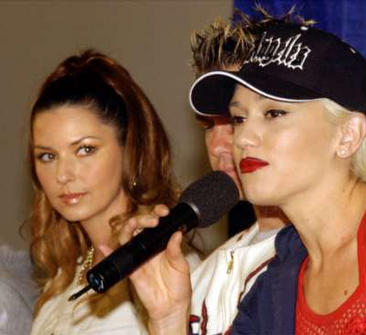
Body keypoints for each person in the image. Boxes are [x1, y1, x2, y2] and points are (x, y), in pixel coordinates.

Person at [189, 18, 366, 335]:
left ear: (347, 135)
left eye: (273, 113)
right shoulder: (277, 286)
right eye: (239, 117)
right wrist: (167, 315)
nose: (242, 138)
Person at [118, 11, 304, 335]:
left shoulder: (337, 253)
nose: (219, 145)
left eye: (236, 119)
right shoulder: (204, 274)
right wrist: (167, 321)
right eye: (207, 125)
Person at [28, 50, 200, 334]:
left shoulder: (167, 266)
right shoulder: (67, 278)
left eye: (85, 150)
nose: (62, 175)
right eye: (47, 156)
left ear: (130, 150)